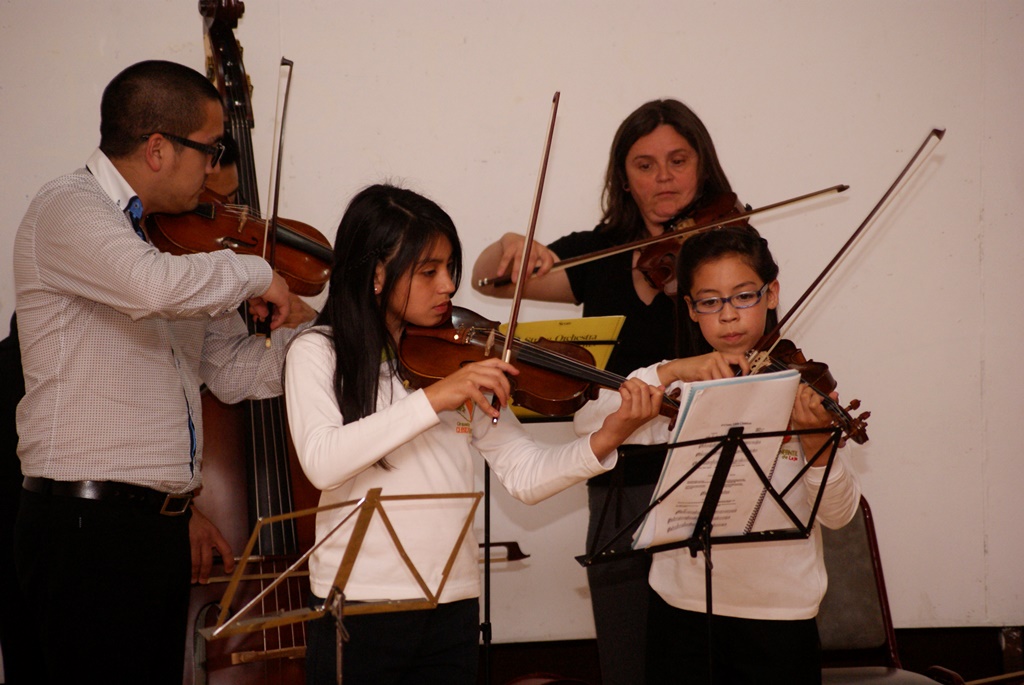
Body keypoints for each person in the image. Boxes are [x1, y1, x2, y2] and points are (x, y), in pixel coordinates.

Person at [283, 183, 666, 684]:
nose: (448, 285)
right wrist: (436, 398)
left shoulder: (457, 358)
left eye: (450, 268)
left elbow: (525, 474)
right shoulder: (317, 352)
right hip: (359, 606)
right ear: (376, 274)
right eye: (429, 271)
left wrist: (609, 436)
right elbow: (322, 462)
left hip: (454, 601)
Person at [12, 59, 302, 684]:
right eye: (210, 148)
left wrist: (326, 342)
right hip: (86, 527)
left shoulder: (174, 242)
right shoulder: (68, 207)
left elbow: (234, 371)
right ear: (158, 149)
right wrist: (257, 271)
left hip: (157, 531)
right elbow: (151, 287)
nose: (215, 168)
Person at [471, 98, 736, 684]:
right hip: (619, 484)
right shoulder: (601, 252)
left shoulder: (726, 252)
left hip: (705, 477)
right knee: (628, 659)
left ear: (702, 164)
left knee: (704, 663)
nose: (663, 178)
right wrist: (513, 241)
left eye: (678, 160)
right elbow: (488, 279)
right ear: (623, 176)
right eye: (644, 165)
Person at [573, 225, 862, 684]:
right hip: (680, 607)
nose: (728, 316)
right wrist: (673, 370)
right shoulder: (683, 389)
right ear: (690, 308)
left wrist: (815, 445)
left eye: (744, 296)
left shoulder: (802, 390)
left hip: (780, 613)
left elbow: (839, 515)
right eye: (710, 301)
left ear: (772, 294)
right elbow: (588, 422)